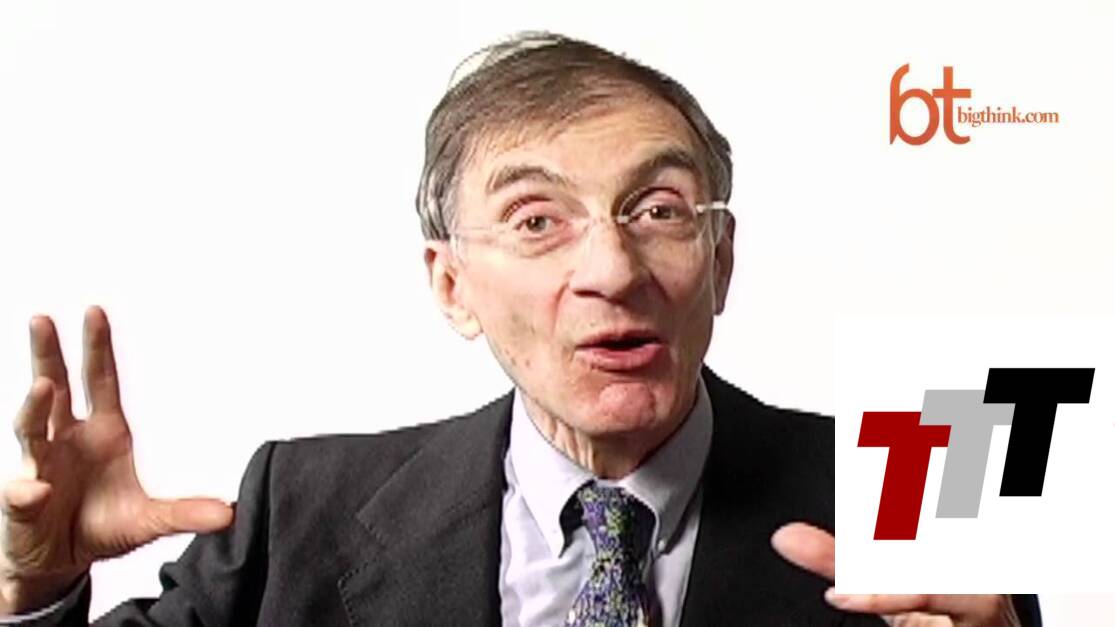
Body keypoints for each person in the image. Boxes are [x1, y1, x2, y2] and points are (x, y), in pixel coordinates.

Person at [1, 32, 1038, 626]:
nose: (611, 270)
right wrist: (36, 588)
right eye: (538, 221)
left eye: (658, 209)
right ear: (451, 284)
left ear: (719, 259)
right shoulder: (296, 510)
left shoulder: (913, 489)